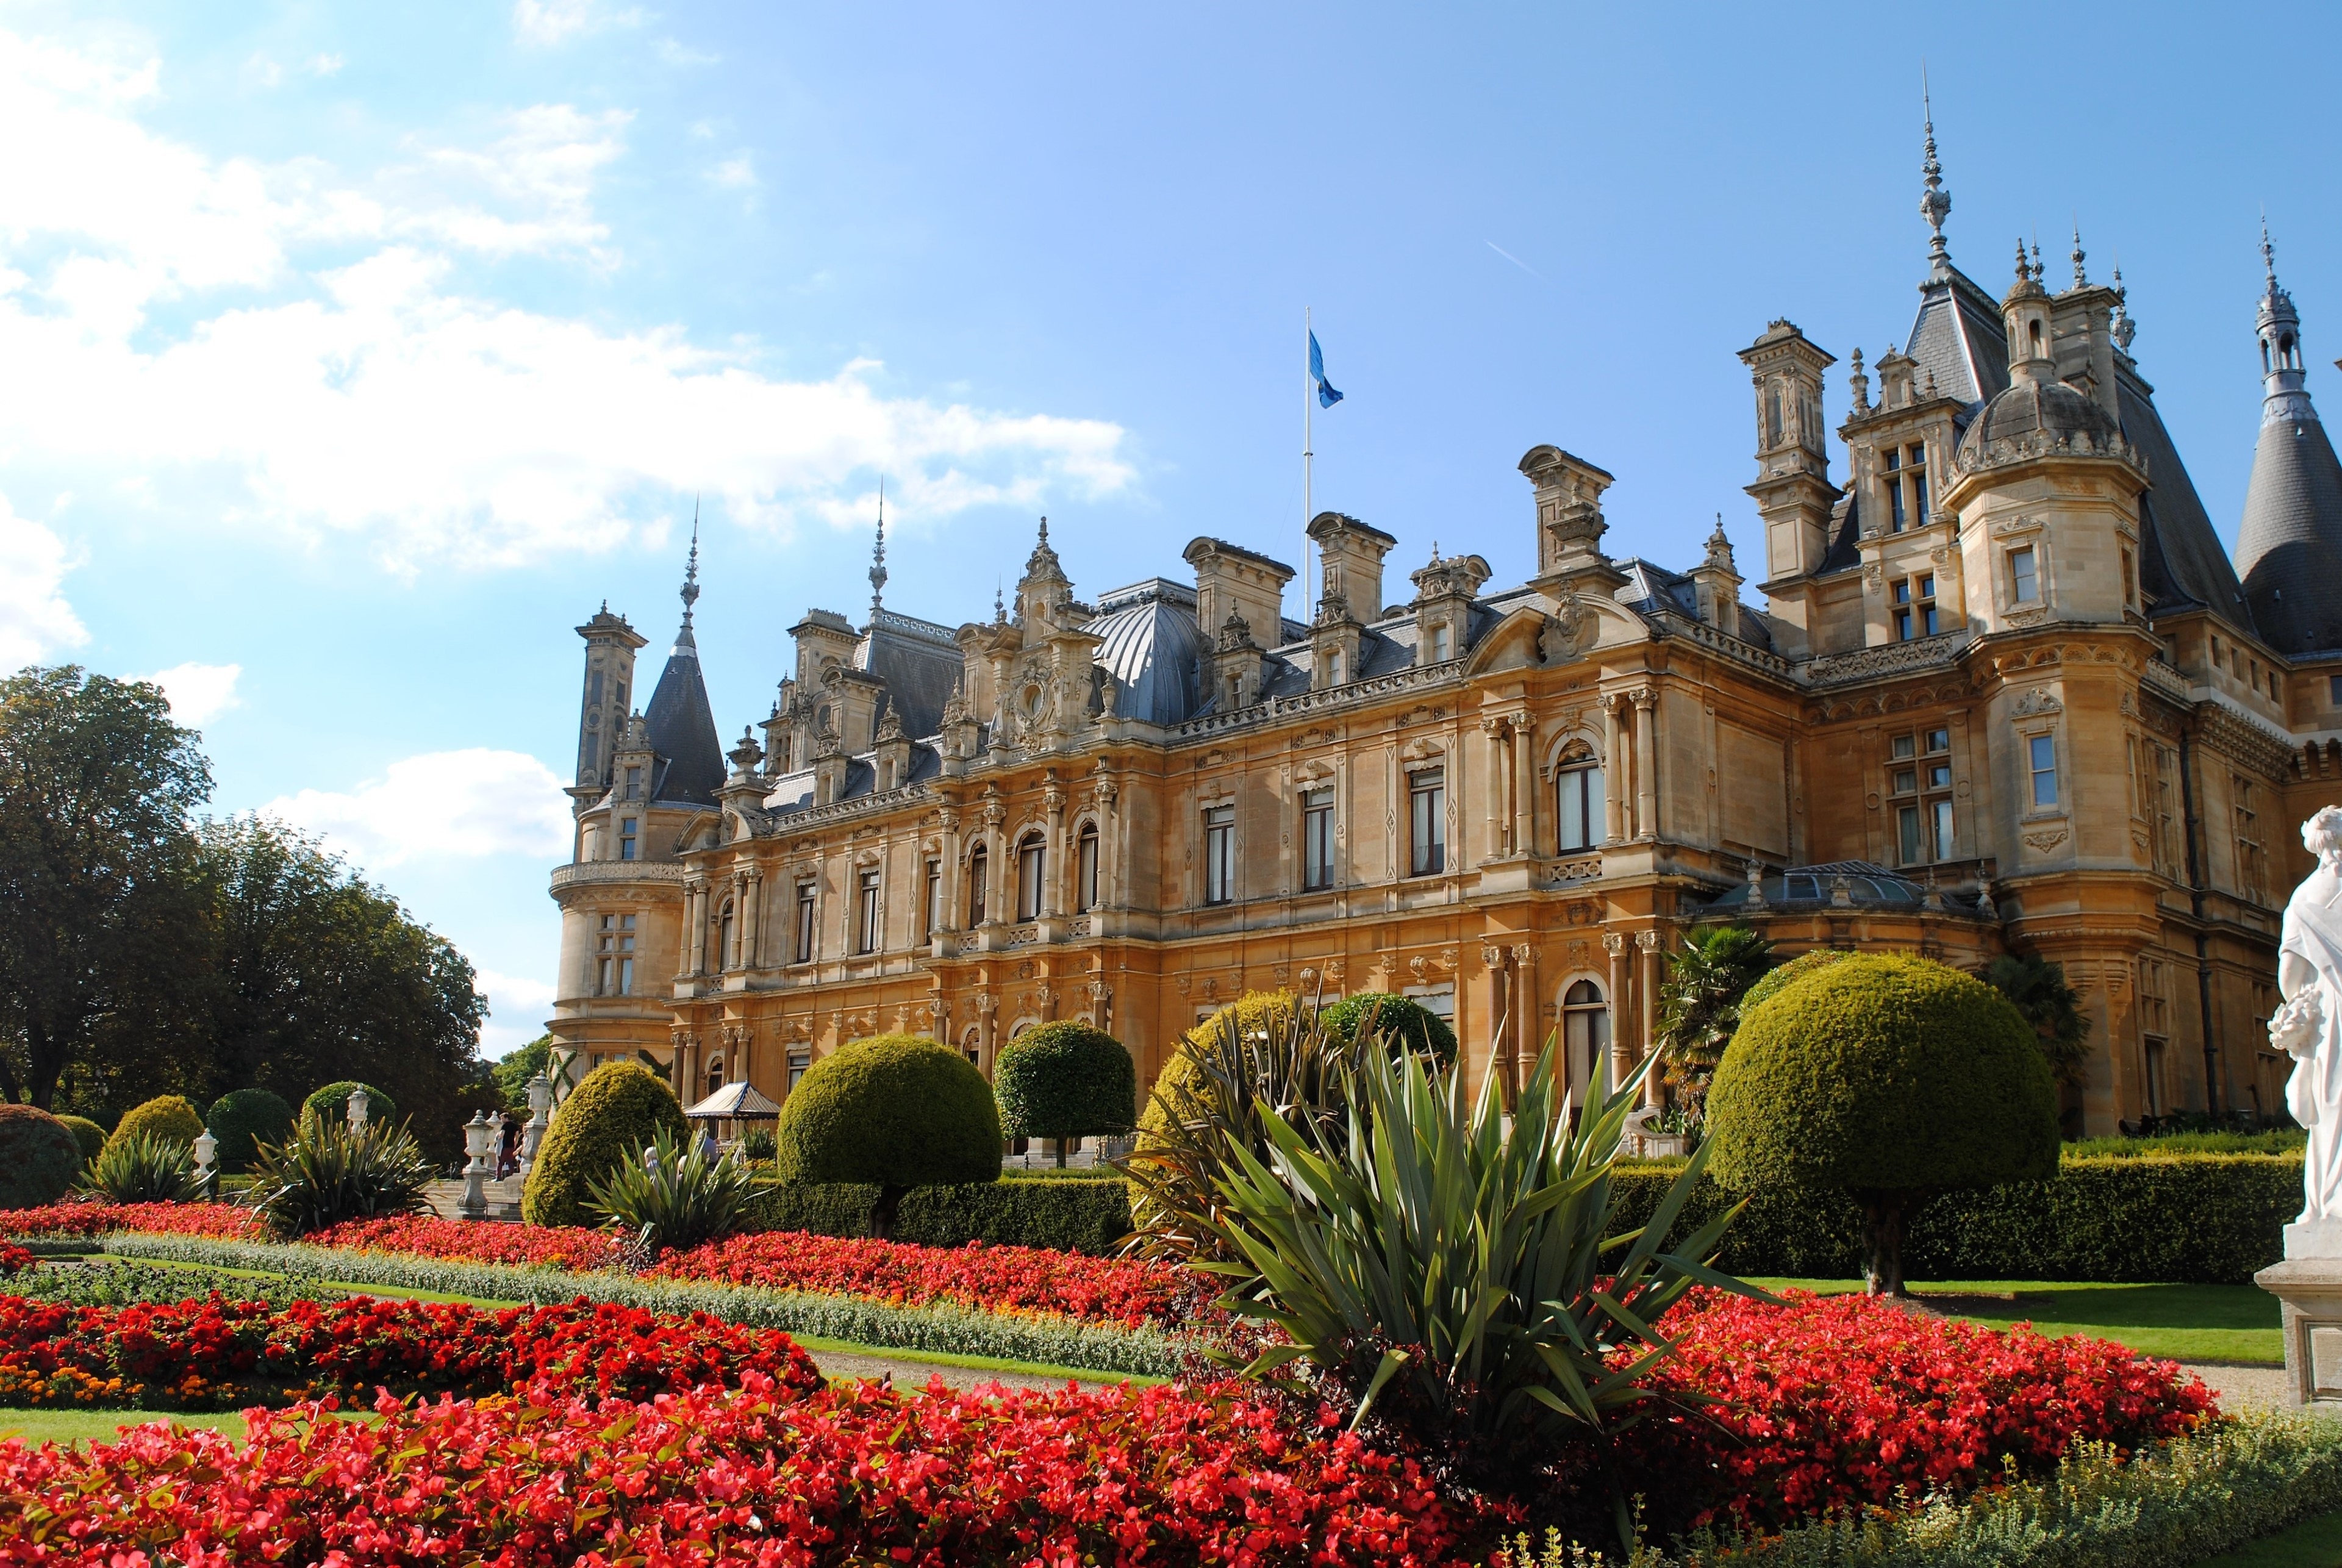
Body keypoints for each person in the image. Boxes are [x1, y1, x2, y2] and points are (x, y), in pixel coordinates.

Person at [2274, 805, 2342, 1239]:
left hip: (2332, 1020)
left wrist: (2301, 1011)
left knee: (2331, 1111)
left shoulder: (2303, 898)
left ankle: (2328, 1205)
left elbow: (2290, 979)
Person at [496, 1112, 523, 1180]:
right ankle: (512, 1176)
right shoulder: (514, 1126)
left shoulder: (505, 1126)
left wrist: (498, 1135)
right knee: (510, 1162)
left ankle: (498, 1176)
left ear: (506, 1118)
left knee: (501, 1162)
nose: (501, 1120)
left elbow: (502, 1135)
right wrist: (515, 1144)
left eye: (502, 1118)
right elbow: (517, 1136)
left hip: (504, 1146)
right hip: (511, 1146)